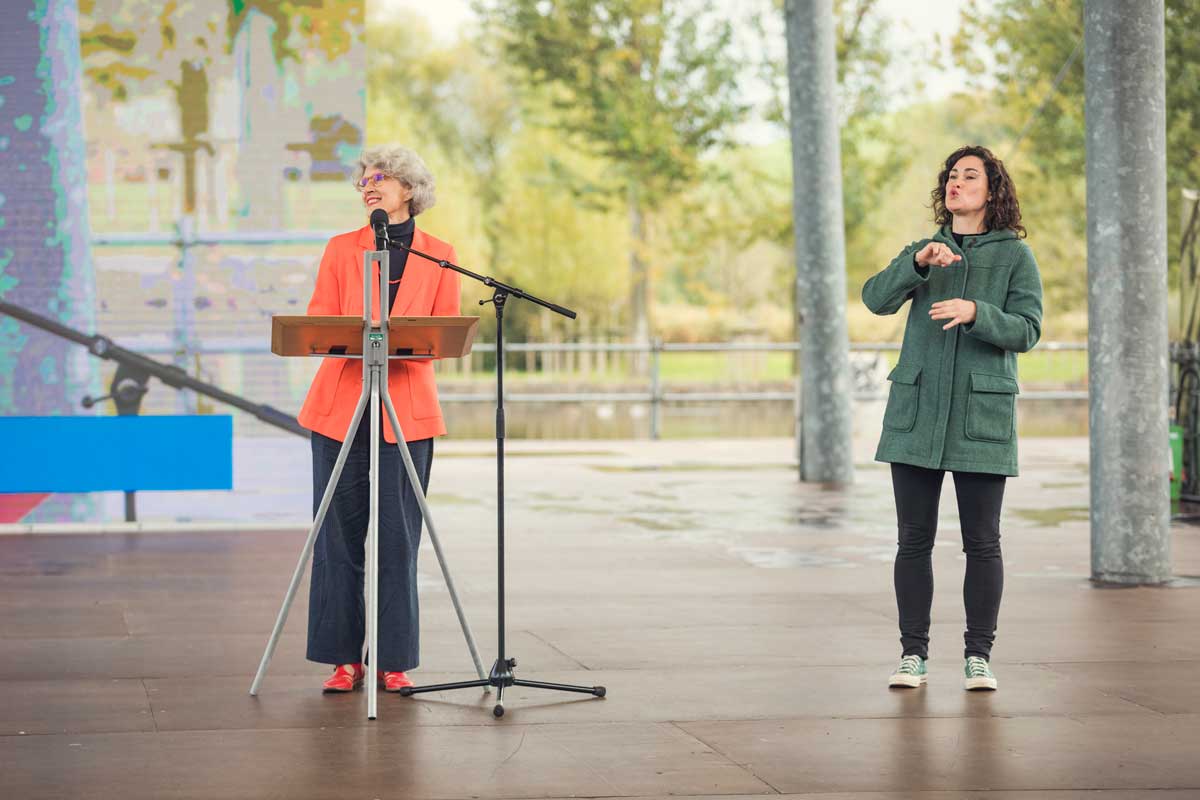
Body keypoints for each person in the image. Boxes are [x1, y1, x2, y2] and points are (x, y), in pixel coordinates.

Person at [861, 144, 1043, 692]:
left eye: (970, 175)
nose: (956, 183)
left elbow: (1028, 329)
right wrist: (916, 264)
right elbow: (874, 299)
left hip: (979, 417)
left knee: (982, 542)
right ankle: (912, 655)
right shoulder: (925, 250)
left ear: (993, 190)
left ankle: (978, 656)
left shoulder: (1015, 256)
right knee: (912, 540)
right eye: (951, 176)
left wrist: (976, 313)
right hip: (916, 415)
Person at [297, 145, 461, 693]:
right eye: (363, 180)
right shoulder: (342, 249)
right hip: (341, 407)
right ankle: (343, 660)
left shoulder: (441, 255)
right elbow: (320, 320)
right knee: (337, 539)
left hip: (405, 411)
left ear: (409, 189)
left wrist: (404, 344)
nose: (368, 185)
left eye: (380, 177)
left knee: (398, 538)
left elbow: (443, 335)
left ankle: (394, 661)